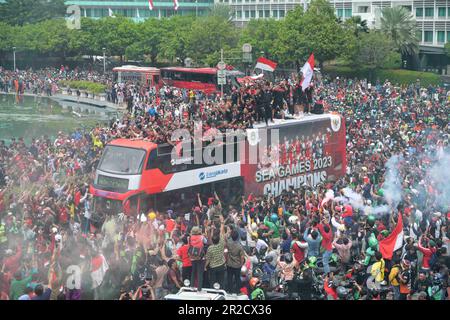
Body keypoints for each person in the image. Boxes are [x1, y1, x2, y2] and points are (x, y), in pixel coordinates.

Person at [205, 215, 226, 289]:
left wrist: (204, 267)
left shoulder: (210, 248)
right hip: (221, 266)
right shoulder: (221, 244)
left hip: (213, 268)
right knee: (221, 282)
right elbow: (221, 233)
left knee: (213, 282)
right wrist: (222, 222)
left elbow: (208, 259)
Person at [226, 229, 245, 294]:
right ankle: (237, 291)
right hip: (237, 265)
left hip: (229, 264)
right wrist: (241, 264)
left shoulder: (228, 243)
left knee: (229, 278)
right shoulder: (240, 246)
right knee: (237, 278)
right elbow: (242, 257)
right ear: (237, 237)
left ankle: (230, 291)